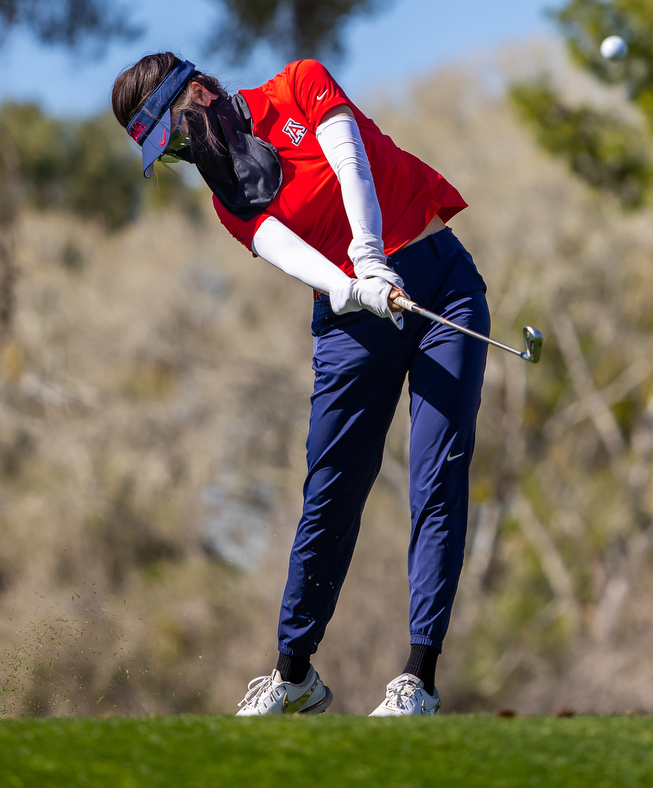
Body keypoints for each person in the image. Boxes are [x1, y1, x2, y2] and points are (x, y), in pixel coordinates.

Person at [110, 53, 489, 716]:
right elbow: (293, 255)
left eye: (172, 135)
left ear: (197, 92)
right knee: (331, 492)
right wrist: (352, 285)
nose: (177, 154)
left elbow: (351, 164)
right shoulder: (229, 198)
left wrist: (368, 254)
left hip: (441, 286)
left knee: (436, 480)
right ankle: (294, 676)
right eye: (163, 152)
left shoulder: (298, 85)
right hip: (352, 319)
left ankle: (419, 681)